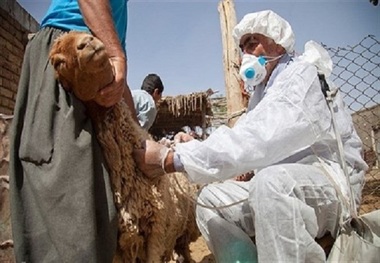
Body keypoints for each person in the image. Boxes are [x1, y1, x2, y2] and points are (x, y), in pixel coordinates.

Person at [133, 10, 368, 262]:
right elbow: (242, 136)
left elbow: (261, 138)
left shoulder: (302, 75)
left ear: (276, 42)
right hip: (275, 188)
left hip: (328, 181)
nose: (246, 53)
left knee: (270, 183)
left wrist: (173, 159)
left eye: (252, 43)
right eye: (242, 47)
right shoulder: (261, 94)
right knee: (208, 200)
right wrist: (197, 146)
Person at [9, 0, 137, 261]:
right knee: (71, 222)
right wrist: (114, 55)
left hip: (93, 71)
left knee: (97, 215)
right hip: (69, 59)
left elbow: (115, 61)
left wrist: (135, 133)